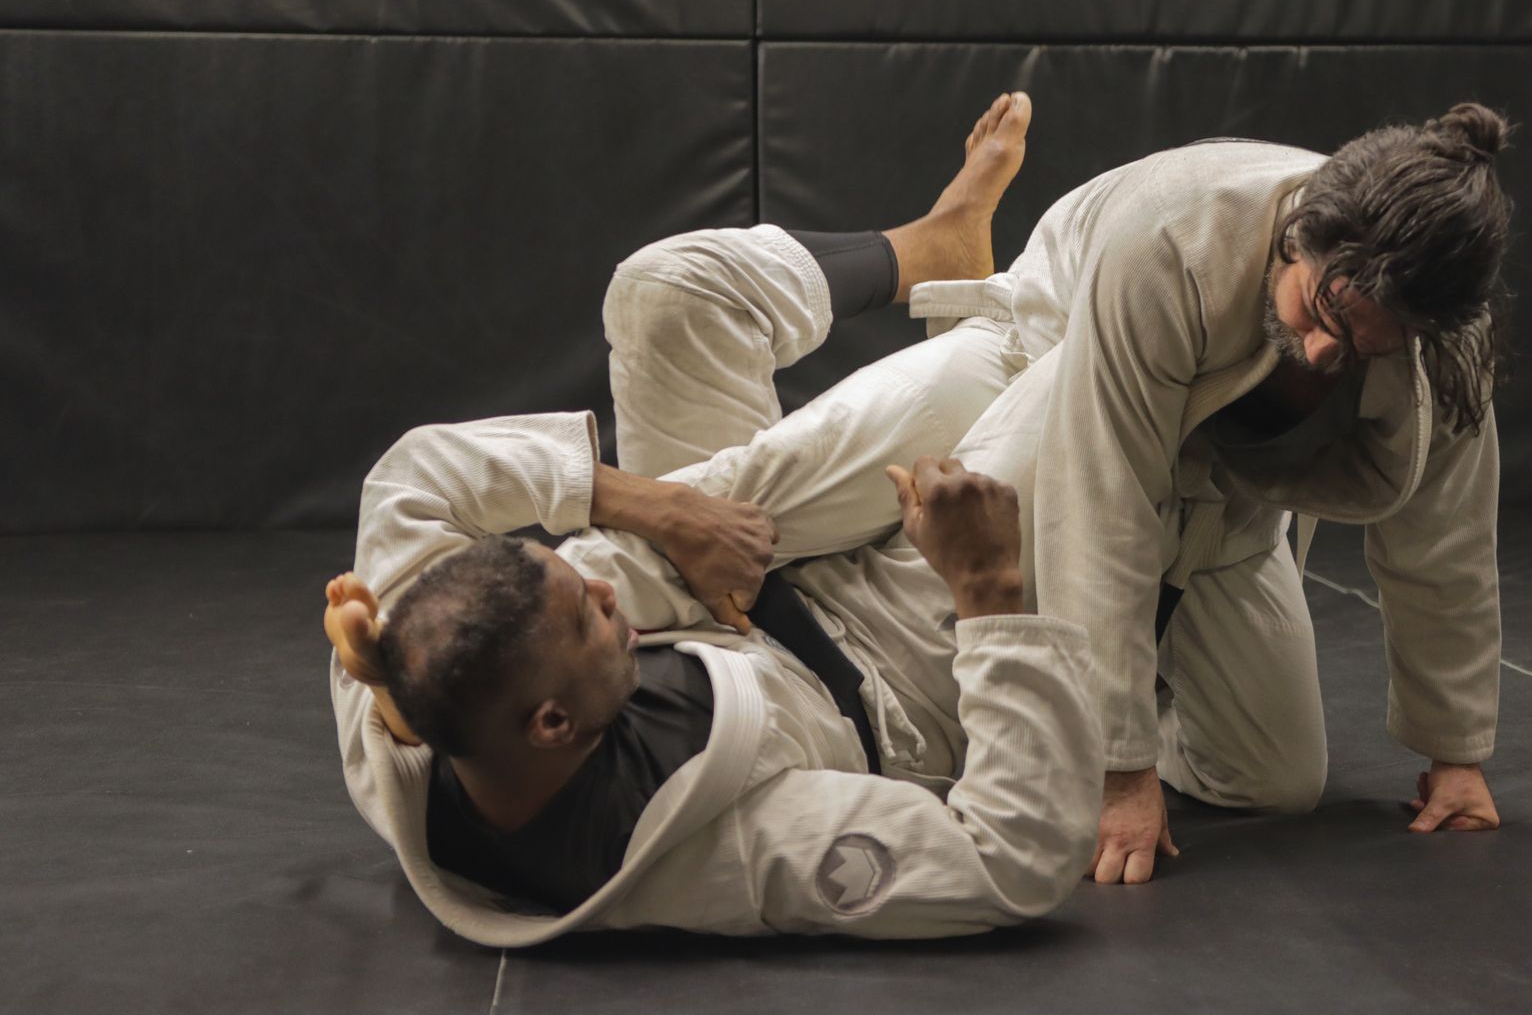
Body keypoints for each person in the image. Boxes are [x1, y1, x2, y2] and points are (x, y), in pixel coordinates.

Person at [324, 94, 1107, 945]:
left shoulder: (404, 670)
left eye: (579, 579)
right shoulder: (709, 849)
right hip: (891, 670)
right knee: (1086, 382)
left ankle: (940, 247)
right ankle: (1064, 345)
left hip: (733, 556)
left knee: (667, 290)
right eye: (589, 613)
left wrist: (664, 508)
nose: (601, 588)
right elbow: (1009, 861)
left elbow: (414, 476)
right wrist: (988, 592)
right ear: (551, 725)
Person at [917, 105, 1516, 884]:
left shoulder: (1443, 337)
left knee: (1276, 781)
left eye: (1372, 340)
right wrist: (1119, 767)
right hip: (1051, 366)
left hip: (1226, 478)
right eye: (1326, 309)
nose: (1328, 350)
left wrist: (1456, 753)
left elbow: (1446, 542)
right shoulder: (1174, 242)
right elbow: (1104, 504)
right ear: (1300, 236)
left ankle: (1133, 677)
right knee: (931, 668)